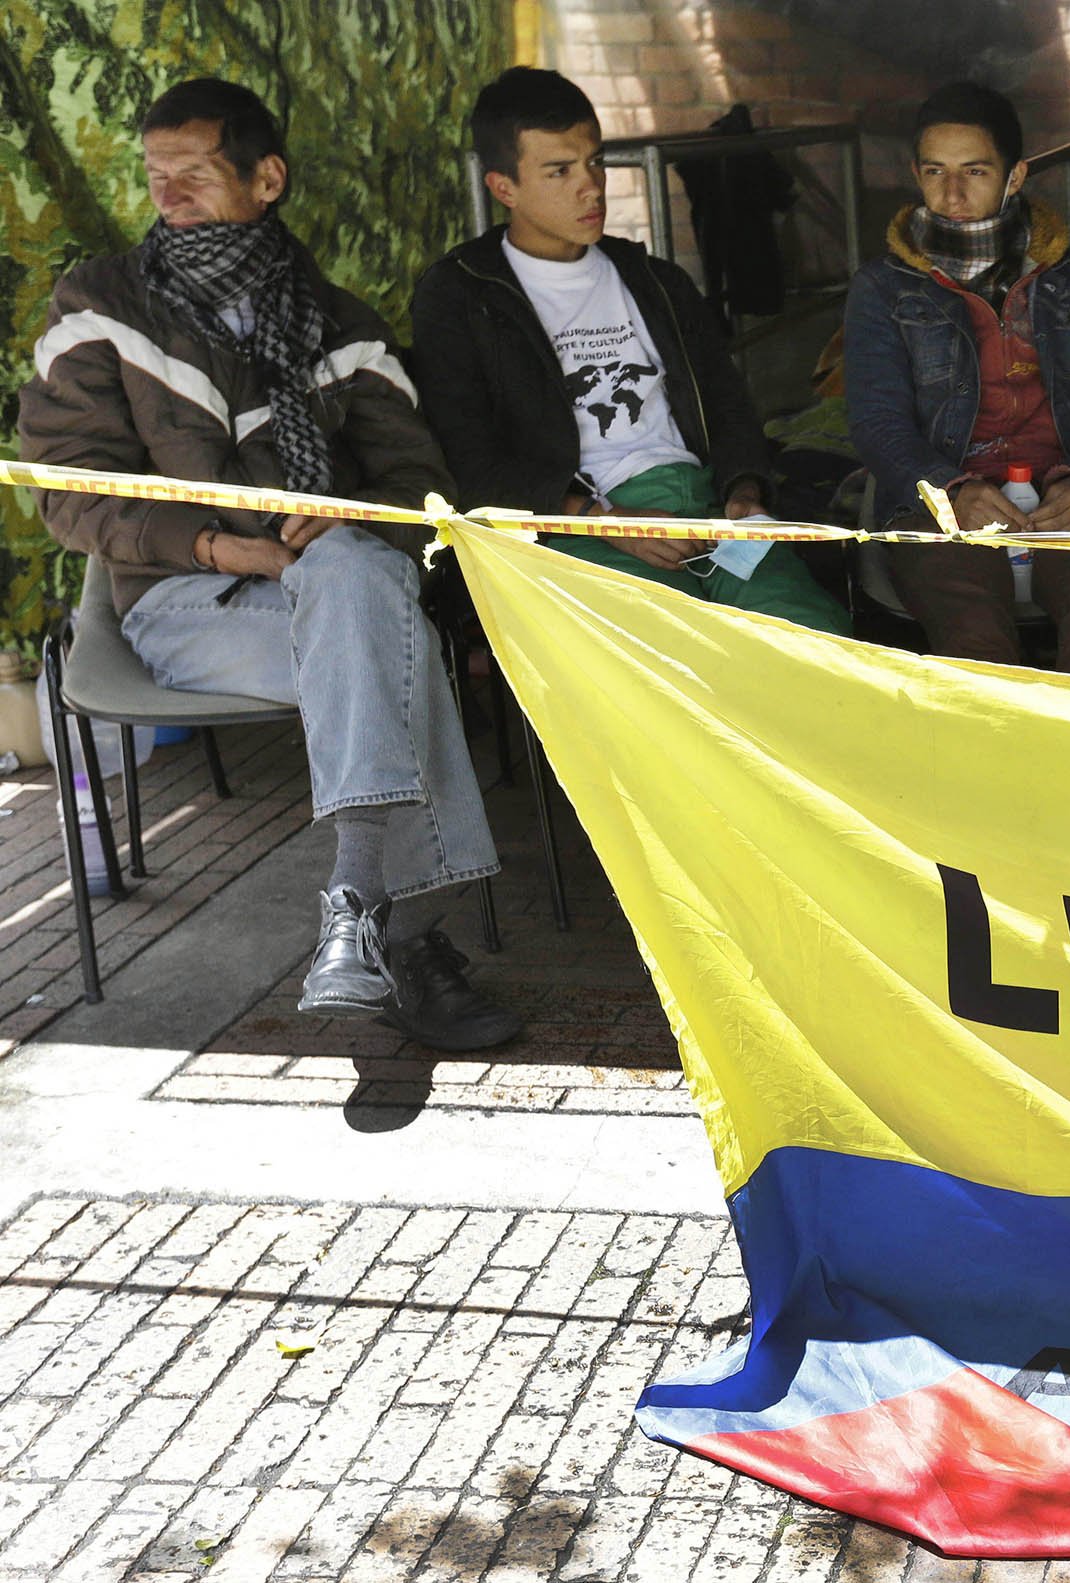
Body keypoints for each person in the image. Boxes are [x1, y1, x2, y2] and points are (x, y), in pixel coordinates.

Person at [16, 78, 519, 1050]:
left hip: (334, 595)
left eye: (193, 175)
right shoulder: (97, 308)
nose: (166, 197)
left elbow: (418, 483)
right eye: (154, 176)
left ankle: (354, 917)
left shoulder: (341, 321)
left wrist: (353, 527)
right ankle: (405, 935)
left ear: (267, 177)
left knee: (359, 584)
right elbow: (65, 490)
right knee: (389, 630)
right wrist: (215, 544)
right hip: (185, 604)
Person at [410, 68, 848, 634]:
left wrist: (744, 490)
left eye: (594, 161)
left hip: (707, 507)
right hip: (575, 524)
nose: (591, 185)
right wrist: (601, 519)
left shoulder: (655, 280)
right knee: (670, 657)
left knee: (811, 638)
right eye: (560, 171)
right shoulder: (461, 293)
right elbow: (466, 458)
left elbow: (728, 404)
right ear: (503, 189)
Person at [845, 82, 1070, 679]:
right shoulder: (884, 287)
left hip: (1069, 496)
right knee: (972, 643)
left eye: (975, 171)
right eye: (935, 172)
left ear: (1015, 177)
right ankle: (1001, 768)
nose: (952, 193)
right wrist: (951, 490)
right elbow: (877, 423)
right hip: (940, 504)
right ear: (916, 173)